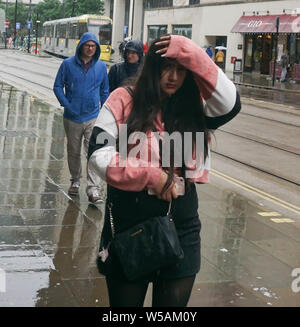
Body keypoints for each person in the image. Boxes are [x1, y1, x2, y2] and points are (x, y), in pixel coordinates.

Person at [88, 34, 241, 306]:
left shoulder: (196, 108)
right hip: (128, 227)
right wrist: (151, 176)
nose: (173, 76)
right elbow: (98, 154)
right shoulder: (123, 99)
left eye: (181, 69)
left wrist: (191, 52)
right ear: (152, 69)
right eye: (165, 68)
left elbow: (231, 103)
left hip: (181, 227)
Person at [53, 32, 109, 204]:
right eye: (87, 45)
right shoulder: (67, 64)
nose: (90, 48)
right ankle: (75, 181)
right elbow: (57, 86)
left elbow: (105, 90)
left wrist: (103, 111)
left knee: (93, 153)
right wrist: (67, 104)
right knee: (74, 151)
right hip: (72, 117)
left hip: (93, 117)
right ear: (81, 46)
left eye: (93, 46)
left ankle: (93, 189)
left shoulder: (101, 67)